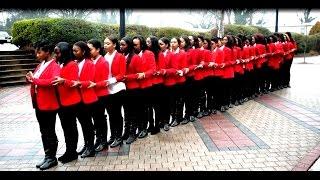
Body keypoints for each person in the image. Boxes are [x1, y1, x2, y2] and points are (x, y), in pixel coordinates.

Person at [26, 40, 60, 170]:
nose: (37, 55)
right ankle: (47, 156)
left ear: (47, 52)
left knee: (49, 131)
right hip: (38, 102)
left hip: (49, 104)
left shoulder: (54, 65)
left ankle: (52, 158)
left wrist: (34, 79)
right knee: (43, 131)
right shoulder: (41, 65)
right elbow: (36, 79)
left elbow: (52, 81)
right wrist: (30, 77)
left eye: (39, 52)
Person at [52, 42, 80, 164]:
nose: (55, 54)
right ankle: (69, 151)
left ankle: (72, 152)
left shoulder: (72, 64)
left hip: (71, 101)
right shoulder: (60, 64)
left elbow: (74, 83)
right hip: (61, 101)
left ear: (63, 51)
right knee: (65, 128)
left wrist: (64, 81)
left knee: (71, 128)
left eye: (57, 52)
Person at [72, 41, 97, 158]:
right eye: (73, 50)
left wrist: (78, 83)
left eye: (76, 51)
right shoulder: (75, 63)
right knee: (82, 123)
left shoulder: (90, 63)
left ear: (83, 51)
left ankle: (90, 148)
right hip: (77, 98)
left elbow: (91, 81)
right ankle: (86, 145)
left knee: (87, 124)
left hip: (87, 98)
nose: (74, 53)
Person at [87, 39, 109, 152]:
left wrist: (95, 84)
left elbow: (106, 81)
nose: (88, 51)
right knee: (95, 118)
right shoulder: (90, 61)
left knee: (100, 118)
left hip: (101, 94)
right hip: (92, 94)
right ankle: (98, 139)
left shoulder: (103, 62)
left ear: (98, 49)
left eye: (90, 49)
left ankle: (103, 141)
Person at [103, 35, 126, 148]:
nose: (105, 45)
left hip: (118, 88)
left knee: (117, 114)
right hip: (107, 89)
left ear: (114, 45)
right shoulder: (104, 57)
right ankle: (112, 136)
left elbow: (122, 75)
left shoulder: (120, 56)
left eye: (108, 43)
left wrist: (111, 80)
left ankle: (118, 137)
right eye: (104, 43)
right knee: (111, 114)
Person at [132, 35, 156, 138]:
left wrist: (144, 74)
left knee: (148, 107)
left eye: (136, 45)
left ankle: (150, 125)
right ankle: (141, 127)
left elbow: (153, 69)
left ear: (141, 45)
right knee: (139, 108)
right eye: (133, 45)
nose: (134, 46)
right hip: (136, 86)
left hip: (146, 84)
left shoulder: (149, 53)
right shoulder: (132, 55)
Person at [121, 36, 142, 144]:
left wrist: (126, 77)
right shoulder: (123, 56)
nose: (121, 47)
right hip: (124, 88)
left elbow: (139, 75)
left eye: (123, 45)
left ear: (128, 46)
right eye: (120, 44)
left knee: (133, 111)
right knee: (126, 111)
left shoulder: (135, 57)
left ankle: (133, 133)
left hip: (134, 89)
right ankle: (126, 131)